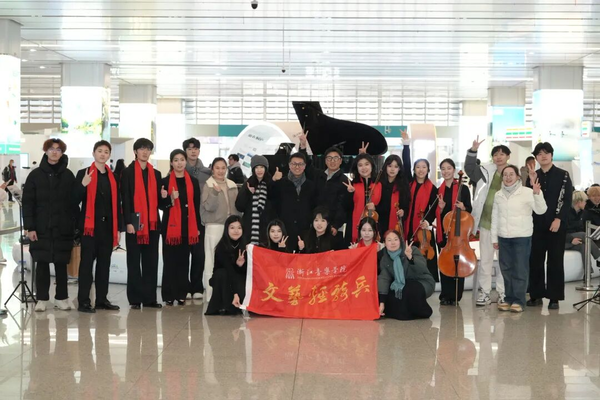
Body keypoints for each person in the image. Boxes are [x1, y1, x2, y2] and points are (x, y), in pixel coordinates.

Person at [22, 138, 76, 312]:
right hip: (41, 227)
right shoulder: (35, 175)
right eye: (51, 149)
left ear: (62, 153)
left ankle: (61, 298)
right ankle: (42, 298)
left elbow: (73, 203)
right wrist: (30, 227)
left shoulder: (68, 175)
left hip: (62, 227)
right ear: (45, 151)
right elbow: (28, 203)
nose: (54, 152)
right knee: (42, 263)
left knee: (61, 264)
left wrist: (74, 226)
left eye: (58, 149)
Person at [73, 140, 122, 313]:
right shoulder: (83, 173)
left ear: (109, 155)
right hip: (90, 228)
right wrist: (83, 185)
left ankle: (102, 300)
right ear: (93, 153)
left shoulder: (112, 177)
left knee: (104, 265)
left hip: (107, 228)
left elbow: (117, 204)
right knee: (86, 265)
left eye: (106, 151)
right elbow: (73, 199)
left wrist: (118, 228)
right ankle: (83, 301)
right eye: (99, 151)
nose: (103, 154)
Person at [492, 165, 547, 312]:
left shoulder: (527, 192)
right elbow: (495, 217)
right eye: (505, 175)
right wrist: (494, 238)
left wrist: (537, 193)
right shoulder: (498, 195)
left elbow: (541, 210)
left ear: (518, 176)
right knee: (506, 269)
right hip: (503, 237)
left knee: (520, 270)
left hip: (521, 237)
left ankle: (519, 300)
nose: (508, 177)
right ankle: (509, 298)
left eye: (511, 174)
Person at [526, 142, 573, 310]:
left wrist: (559, 218)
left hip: (556, 224)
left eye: (546, 153)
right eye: (539, 154)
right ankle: (536, 295)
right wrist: (531, 183)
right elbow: (528, 200)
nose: (543, 156)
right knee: (535, 260)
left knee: (555, 261)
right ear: (536, 158)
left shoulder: (563, 175)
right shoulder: (533, 175)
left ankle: (554, 297)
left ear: (552, 155)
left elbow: (567, 200)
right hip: (536, 224)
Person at [464, 137, 510, 307]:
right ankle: (485, 293)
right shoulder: (485, 171)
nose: (499, 157)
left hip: (505, 226)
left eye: (502, 154)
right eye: (496, 154)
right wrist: (473, 150)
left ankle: (503, 293)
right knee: (485, 260)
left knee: (504, 262)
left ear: (508, 156)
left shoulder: (513, 174)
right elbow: (469, 168)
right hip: (486, 223)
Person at [121, 138, 163, 310]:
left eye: (148, 149)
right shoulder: (127, 172)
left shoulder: (156, 174)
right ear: (135, 151)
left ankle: (149, 298)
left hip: (152, 224)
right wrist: (128, 222)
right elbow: (125, 199)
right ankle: (135, 299)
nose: (145, 152)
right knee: (133, 261)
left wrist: (165, 197)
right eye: (142, 149)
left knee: (151, 261)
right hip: (135, 223)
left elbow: (159, 202)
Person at [160, 150, 201, 306]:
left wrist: (197, 226)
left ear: (185, 161)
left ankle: (182, 293)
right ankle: (169, 294)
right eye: (176, 160)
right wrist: (170, 199)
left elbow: (196, 205)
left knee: (184, 262)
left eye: (182, 159)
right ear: (171, 162)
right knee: (169, 261)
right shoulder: (164, 181)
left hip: (187, 226)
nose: (179, 163)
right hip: (170, 228)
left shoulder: (193, 181)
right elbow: (161, 206)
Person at [200, 157, 239, 300]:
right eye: (217, 168)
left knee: (230, 259)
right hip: (214, 226)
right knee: (211, 259)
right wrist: (215, 193)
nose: (220, 171)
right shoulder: (208, 185)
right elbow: (208, 207)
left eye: (223, 168)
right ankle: (211, 294)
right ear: (212, 169)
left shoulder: (232, 184)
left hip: (231, 227)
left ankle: (229, 294)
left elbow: (237, 207)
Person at [298, 132, 349, 239]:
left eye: (335, 158)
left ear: (340, 161)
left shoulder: (344, 180)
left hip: (333, 227)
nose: (332, 161)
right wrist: (303, 147)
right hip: (316, 224)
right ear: (325, 160)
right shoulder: (318, 175)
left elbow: (343, 206)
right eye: (329, 158)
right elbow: (307, 166)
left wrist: (336, 225)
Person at [436, 158, 473, 306]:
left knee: (458, 264)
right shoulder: (439, 190)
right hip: (445, 232)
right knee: (445, 263)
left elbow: (469, 210)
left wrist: (464, 207)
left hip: (459, 233)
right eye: (443, 169)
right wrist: (441, 208)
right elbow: (438, 214)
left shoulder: (463, 189)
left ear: (454, 170)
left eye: (449, 168)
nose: (446, 171)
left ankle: (456, 295)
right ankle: (445, 295)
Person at [378, 230, 435, 321]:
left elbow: (422, 268)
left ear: (400, 241)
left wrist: (410, 258)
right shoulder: (385, 259)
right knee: (392, 292)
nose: (393, 243)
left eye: (395, 239)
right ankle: (404, 313)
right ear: (384, 243)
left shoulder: (411, 249)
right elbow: (384, 278)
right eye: (389, 240)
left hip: (422, 281)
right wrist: (382, 303)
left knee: (407, 289)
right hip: (404, 283)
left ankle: (423, 311)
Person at [402, 139, 439, 280]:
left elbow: (433, 208)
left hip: (423, 231)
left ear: (428, 170)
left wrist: (427, 221)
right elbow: (406, 163)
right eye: (418, 167)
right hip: (407, 226)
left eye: (424, 167)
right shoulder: (408, 183)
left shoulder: (432, 188)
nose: (421, 169)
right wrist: (406, 144)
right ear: (414, 169)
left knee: (425, 259)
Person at [270, 152, 317, 252]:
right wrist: (273, 181)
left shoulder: (311, 186)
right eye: (294, 164)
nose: (297, 167)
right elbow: (272, 200)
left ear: (304, 166)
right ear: (289, 165)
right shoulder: (280, 183)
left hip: (304, 231)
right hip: (285, 231)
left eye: (300, 164)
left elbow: (313, 207)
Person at [183, 138, 212, 299]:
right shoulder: (179, 170)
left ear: (199, 151)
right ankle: (185, 286)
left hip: (201, 219)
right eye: (189, 149)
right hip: (184, 218)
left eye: (195, 149)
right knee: (184, 253)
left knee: (199, 254)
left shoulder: (207, 173)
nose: (193, 151)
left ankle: (197, 286)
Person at [205, 215, 247, 315]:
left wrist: (240, 265)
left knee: (241, 279)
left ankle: (234, 303)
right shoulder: (222, 246)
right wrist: (235, 293)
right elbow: (229, 270)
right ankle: (224, 305)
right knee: (222, 274)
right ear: (226, 229)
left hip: (238, 278)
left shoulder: (245, 246)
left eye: (239, 228)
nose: (236, 231)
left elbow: (246, 272)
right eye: (232, 228)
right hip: (222, 279)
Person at [343, 153, 382, 245]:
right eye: (360, 165)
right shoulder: (352, 184)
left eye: (366, 164)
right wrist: (349, 193)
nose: (363, 168)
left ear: (372, 165)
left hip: (375, 224)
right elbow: (346, 208)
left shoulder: (379, 184)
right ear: (356, 168)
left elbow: (385, 206)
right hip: (354, 224)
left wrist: (375, 207)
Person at [235, 155, 274, 245]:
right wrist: (247, 193)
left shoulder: (271, 183)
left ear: (266, 168)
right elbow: (239, 206)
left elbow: (276, 203)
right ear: (253, 169)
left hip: (267, 227)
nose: (259, 170)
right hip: (250, 227)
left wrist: (274, 182)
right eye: (256, 167)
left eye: (262, 167)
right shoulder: (248, 183)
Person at [376, 154, 410, 240]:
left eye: (396, 166)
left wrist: (403, 212)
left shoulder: (403, 185)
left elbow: (406, 205)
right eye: (390, 166)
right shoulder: (378, 182)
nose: (392, 169)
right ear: (385, 167)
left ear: (399, 169)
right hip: (379, 222)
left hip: (395, 223)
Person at [566, 191, 600, 267]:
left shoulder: (581, 213)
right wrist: (571, 239)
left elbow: (579, 229)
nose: (585, 203)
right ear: (578, 202)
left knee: (584, 247)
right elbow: (561, 231)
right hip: (563, 240)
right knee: (583, 235)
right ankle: (599, 256)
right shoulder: (566, 213)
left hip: (574, 239)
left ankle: (588, 272)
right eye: (584, 201)